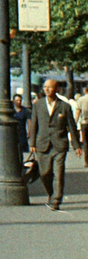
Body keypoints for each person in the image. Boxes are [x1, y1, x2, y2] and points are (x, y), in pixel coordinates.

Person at [27, 79, 82, 211]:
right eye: (45, 87)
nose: (46, 89)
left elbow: (71, 127)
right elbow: (34, 125)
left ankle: (56, 199)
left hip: (59, 145)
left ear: (56, 89)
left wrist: (77, 146)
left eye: (50, 87)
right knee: (44, 173)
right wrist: (32, 143)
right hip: (42, 144)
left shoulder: (64, 106)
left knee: (58, 173)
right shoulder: (38, 105)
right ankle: (51, 194)